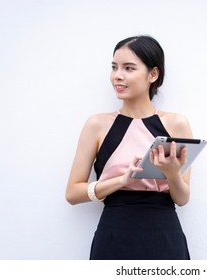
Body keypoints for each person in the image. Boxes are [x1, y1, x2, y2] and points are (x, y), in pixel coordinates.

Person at [65, 35, 192, 260]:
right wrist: (121, 181)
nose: (117, 76)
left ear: (153, 74)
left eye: (129, 68)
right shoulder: (97, 124)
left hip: (164, 235)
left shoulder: (176, 123)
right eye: (114, 67)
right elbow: (73, 193)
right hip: (114, 235)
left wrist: (173, 175)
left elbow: (182, 199)